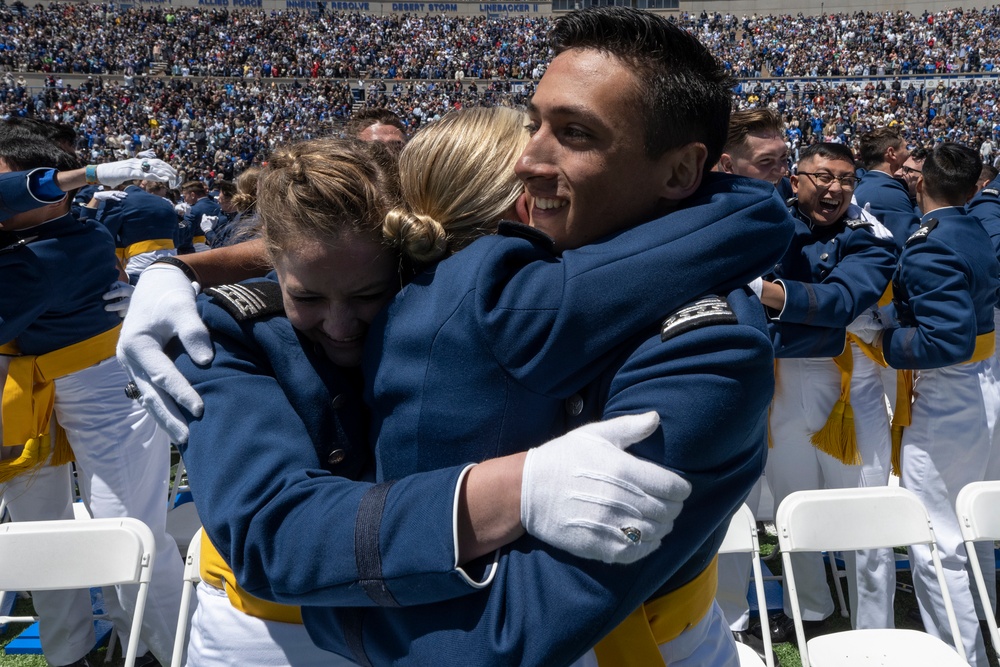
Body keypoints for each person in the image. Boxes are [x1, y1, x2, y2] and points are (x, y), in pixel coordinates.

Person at [120, 7, 795, 666]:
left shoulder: (701, 343)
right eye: (533, 127)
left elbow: (504, 632)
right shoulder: (253, 323)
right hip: (280, 634)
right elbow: (271, 534)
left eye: (575, 134)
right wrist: (508, 489)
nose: (532, 160)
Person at [171, 131, 689, 666]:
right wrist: (519, 488)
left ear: (413, 258)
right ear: (272, 268)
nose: (341, 324)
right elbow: (269, 535)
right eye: (306, 296)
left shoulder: (457, 304)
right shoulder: (227, 333)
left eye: (369, 295)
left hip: (452, 618)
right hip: (275, 630)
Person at [0, 136, 183, 667]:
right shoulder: (63, 226)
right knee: (47, 536)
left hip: (97, 390)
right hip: (41, 389)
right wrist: (90, 173)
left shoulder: (39, 255)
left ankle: (169, 649)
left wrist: (87, 174)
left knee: (129, 536)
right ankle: (95, 648)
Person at [863, 142, 1000, 666]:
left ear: (920, 184)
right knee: (973, 530)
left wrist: (886, 341)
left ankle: (960, 656)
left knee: (933, 537)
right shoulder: (972, 227)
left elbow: (947, 341)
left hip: (949, 391)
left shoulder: (931, 244)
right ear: (974, 189)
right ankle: (983, 632)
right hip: (981, 384)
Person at [762, 143, 897, 640]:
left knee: (864, 510)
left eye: (845, 179)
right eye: (822, 177)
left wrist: (767, 298)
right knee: (791, 507)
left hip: (848, 386)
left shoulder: (871, 236)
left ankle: (874, 624)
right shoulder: (770, 223)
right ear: (795, 180)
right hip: (783, 385)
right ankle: (810, 610)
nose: (834, 188)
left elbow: (840, 304)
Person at [82, 180, 179, 284]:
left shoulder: (119, 199)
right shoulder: (164, 202)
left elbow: (100, 234)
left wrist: (93, 201)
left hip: (140, 263)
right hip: (171, 259)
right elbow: (178, 239)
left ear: (117, 186)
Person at [854, 127, 919, 250]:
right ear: (891, 153)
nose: (909, 152)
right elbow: (912, 244)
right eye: (905, 148)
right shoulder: (886, 192)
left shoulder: (868, 183)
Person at [177, 180, 219, 254]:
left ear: (192, 195)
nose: (185, 199)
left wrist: (180, 217)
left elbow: (186, 233)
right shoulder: (218, 206)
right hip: (216, 245)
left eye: (185, 196)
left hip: (196, 249)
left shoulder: (192, 210)